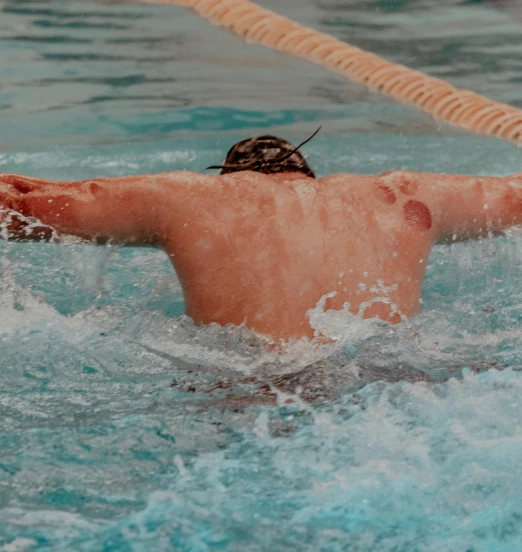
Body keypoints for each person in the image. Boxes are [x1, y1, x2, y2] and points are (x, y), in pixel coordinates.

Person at [0, 132, 520, 342]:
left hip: (246, 385)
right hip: (382, 379)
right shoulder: (400, 196)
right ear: (307, 176)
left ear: (230, 178)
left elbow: (22, 206)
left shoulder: (191, 197)